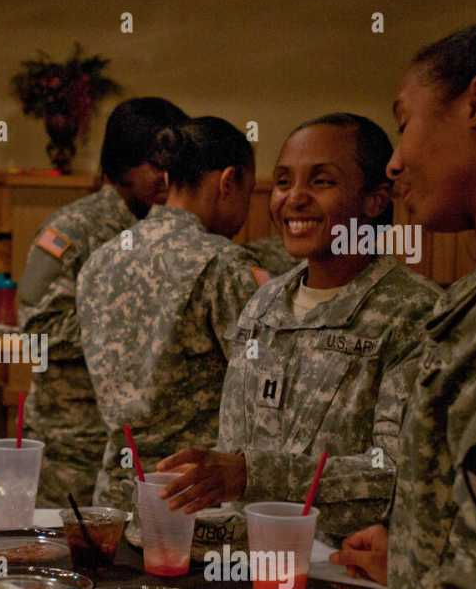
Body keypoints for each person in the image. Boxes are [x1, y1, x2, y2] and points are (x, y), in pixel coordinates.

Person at [154, 19, 476, 589]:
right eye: (280, 181)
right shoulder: (260, 304)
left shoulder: (469, 313)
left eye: (405, 125)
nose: (398, 162)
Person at [155, 113, 441, 546]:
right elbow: (232, 449)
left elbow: (398, 476)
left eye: (321, 182)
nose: (294, 198)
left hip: (346, 577)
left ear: (376, 200)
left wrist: (253, 474)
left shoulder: (414, 313)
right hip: (246, 571)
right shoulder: (264, 303)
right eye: (284, 181)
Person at [77, 117, 262, 512]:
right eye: (249, 191)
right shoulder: (222, 263)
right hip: (194, 499)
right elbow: (266, 389)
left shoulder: (101, 259)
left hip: (114, 498)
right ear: (228, 181)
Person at [17, 97, 189, 508]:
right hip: (76, 446)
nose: (167, 178)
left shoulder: (172, 231)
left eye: (174, 165)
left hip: (148, 446)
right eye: (155, 165)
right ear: (123, 163)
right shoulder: (72, 229)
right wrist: (140, 326)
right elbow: (37, 330)